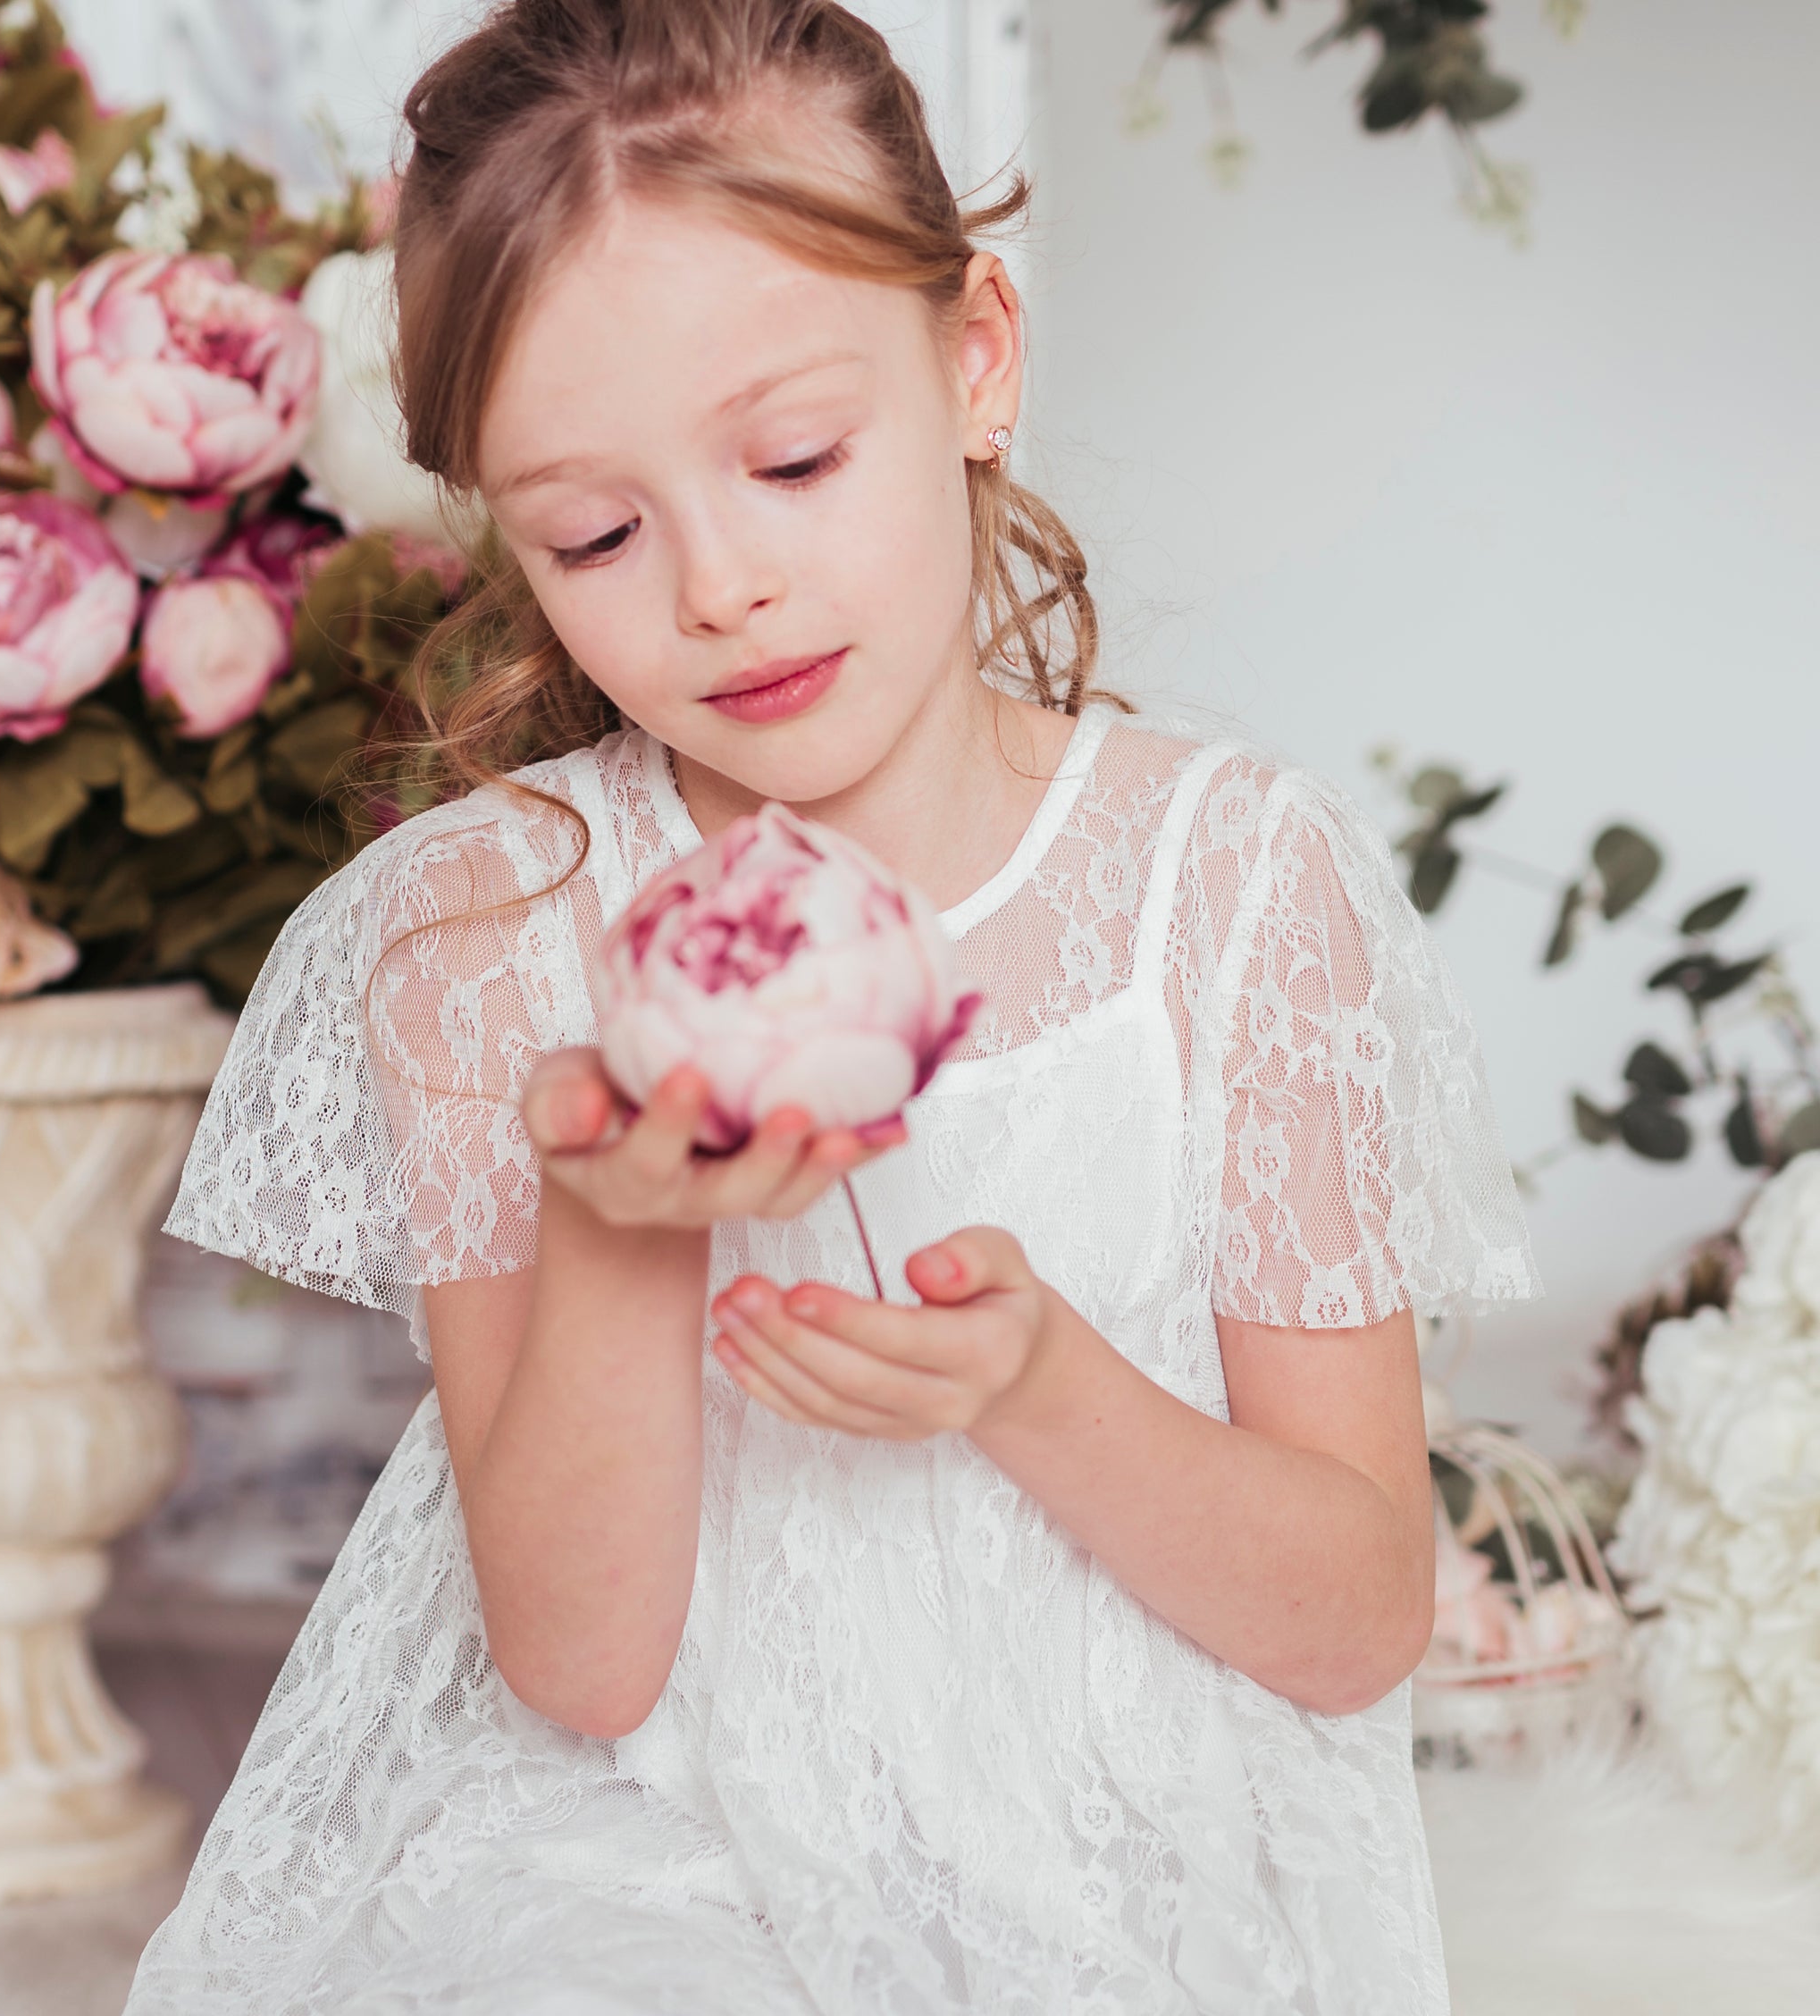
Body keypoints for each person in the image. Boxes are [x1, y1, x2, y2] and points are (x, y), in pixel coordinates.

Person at [126, 2, 1534, 2009]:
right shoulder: (486, 933)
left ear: (974, 362)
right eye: (597, 534)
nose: (716, 589)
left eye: (793, 458)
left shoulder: (1223, 890)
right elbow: (584, 1666)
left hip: (1126, 1848)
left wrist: (1038, 1387)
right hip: (652, 1852)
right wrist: (629, 1210)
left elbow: (1353, 1616)